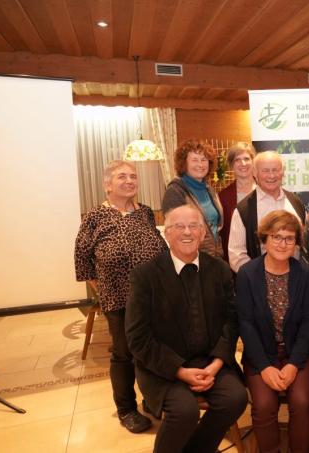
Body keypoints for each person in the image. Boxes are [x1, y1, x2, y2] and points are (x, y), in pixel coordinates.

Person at [125, 204, 248, 453]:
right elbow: (138, 339)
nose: (187, 232)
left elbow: (231, 321)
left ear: (204, 233)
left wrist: (215, 365)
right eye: (179, 226)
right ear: (166, 233)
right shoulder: (145, 275)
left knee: (235, 398)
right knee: (184, 411)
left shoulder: (220, 270)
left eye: (194, 226)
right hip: (163, 368)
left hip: (209, 360)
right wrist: (180, 371)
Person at [74, 160, 168, 433]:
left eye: (133, 176)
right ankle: (126, 409)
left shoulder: (146, 213)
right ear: (107, 185)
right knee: (124, 354)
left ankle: (152, 400)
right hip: (118, 299)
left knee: (153, 351)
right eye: (121, 177)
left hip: (153, 298)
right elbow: (83, 261)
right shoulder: (95, 217)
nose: (129, 181)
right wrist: (104, 289)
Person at [236, 211, 309, 453]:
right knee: (263, 405)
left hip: (298, 354)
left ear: (296, 243)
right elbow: (246, 324)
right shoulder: (247, 274)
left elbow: (308, 322)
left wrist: (294, 364)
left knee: (302, 402)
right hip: (260, 354)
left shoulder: (305, 275)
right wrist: (264, 366)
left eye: (289, 238)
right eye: (276, 237)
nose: (283, 244)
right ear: (265, 239)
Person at [228, 151, 305, 273]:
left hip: (295, 280)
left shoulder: (296, 202)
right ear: (255, 173)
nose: (271, 176)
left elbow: (302, 246)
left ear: (283, 172)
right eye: (266, 171)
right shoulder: (243, 210)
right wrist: (259, 278)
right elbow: (236, 255)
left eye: (275, 170)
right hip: (259, 283)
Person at [162, 139, 224, 257]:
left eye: (204, 160)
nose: (200, 165)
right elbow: (177, 233)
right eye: (195, 160)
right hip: (191, 258)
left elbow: (215, 227)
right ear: (184, 164)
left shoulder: (209, 189)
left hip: (214, 257)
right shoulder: (175, 191)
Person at [218, 142, 256, 263]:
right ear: (231, 165)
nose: (243, 164)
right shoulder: (223, 197)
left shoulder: (265, 190)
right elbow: (223, 233)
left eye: (246, 159)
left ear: (253, 162)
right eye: (237, 160)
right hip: (235, 262)